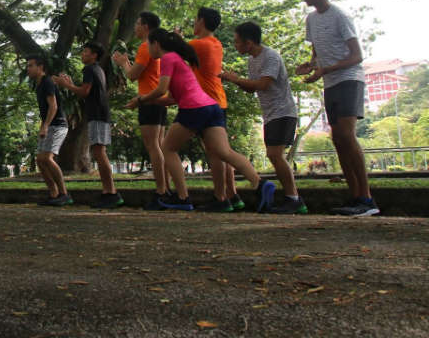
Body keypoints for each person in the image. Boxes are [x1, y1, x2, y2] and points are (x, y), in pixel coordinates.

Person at [131, 29, 276, 212]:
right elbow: (171, 98)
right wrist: (143, 101)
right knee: (224, 152)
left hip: (194, 109)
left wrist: (140, 100)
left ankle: (183, 197)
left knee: (168, 148)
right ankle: (260, 183)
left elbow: (161, 89)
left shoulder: (168, 58)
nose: (147, 49)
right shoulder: (178, 60)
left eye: (148, 44)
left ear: (156, 44)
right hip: (211, 107)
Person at [296, 0, 376, 216]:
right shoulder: (311, 19)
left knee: (346, 134)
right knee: (337, 139)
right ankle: (355, 197)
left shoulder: (340, 16)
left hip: (349, 80)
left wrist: (327, 69)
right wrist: (310, 65)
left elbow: (356, 55)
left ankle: (367, 198)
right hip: (330, 83)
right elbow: (317, 51)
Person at [221, 22, 307, 214]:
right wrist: (233, 79)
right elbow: (251, 88)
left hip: (283, 112)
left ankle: (294, 198)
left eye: (237, 42)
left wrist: (236, 79)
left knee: (275, 154)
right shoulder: (252, 60)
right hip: (270, 115)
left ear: (248, 42)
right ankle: (291, 198)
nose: (235, 46)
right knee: (274, 155)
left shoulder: (271, 57)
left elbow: (263, 84)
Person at [112, 11, 170, 210]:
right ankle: (166, 189)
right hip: (159, 100)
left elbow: (132, 76)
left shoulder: (146, 47)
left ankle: (161, 192)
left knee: (154, 146)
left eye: (137, 23)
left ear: (146, 27)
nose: (135, 27)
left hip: (148, 99)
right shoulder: (157, 47)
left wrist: (122, 63)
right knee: (160, 146)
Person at [55, 42, 122, 208]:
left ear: (94, 55)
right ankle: (108, 192)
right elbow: (88, 92)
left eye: (85, 52)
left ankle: (111, 193)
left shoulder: (90, 69)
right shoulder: (98, 70)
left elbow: (84, 92)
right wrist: (71, 85)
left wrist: (66, 85)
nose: (82, 54)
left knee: (99, 152)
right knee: (99, 152)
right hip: (100, 113)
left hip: (98, 114)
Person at [187, 7, 241, 213]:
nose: (193, 23)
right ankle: (232, 195)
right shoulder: (215, 43)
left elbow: (171, 50)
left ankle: (220, 198)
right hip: (218, 101)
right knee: (221, 151)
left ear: (201, 21)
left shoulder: (200, 44)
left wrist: (173, 38)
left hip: (207, 104)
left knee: (215, 153)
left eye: (195, 19)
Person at [26, 54, 72, 206]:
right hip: (49, 125)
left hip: (57, 125)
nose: (28, 69)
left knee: (46, 158)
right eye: (27, 66)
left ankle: (64, 194)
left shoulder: (47, 82)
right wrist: (43, 125)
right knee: (40, 160)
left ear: (40, 67)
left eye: (31, 65)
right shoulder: (39, 85)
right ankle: (54, 193)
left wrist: (45, 125)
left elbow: (54, 106)